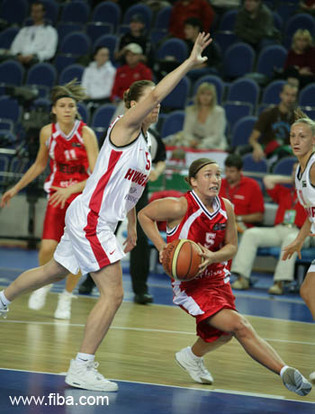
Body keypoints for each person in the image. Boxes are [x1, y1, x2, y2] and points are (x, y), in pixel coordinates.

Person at [0, 32, 213, 392]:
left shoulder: (147, 145)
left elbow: (132, 189)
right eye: (147, 101)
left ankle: (2, 299)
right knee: (113, 295)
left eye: (155, 103)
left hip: (97, 218)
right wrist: (190, 63)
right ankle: (81, 367)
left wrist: (130, 224)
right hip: (91, 219)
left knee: (54, 271)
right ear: (132, 103)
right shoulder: (125, 127)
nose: (155, 106)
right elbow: (160, 92)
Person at [138, 157, 312, 396]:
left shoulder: (226, 207)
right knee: (239, 326)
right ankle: (285, 371)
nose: (215, 179)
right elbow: (144, 215)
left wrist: (212, 257)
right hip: (191, 285)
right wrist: (162, 248)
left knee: (223, 335)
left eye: (217, 174)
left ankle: (191, 356)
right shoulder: (179, 205)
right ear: (193, 181)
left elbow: (231, 247)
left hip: (217, 278)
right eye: (208, 175)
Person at [0, 80, 99, 319]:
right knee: (47, 247)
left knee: (76, 253)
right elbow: (39, 165)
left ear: (76, 109)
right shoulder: (48, 132)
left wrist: (73, 188)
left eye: (71, 105)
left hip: (80, 198)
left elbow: (97, 175)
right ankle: (44, 284)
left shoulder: (86, 133)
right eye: (62, 105)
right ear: (54, 109)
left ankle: (66, 296)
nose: (67, 109)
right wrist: (15, 189)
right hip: (56, 195)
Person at [79, 128, 167, 304]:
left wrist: (157, 171)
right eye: (152, 106)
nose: (155, 110)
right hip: (113, 188)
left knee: (141, 238)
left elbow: (161, 160)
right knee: (105, 234)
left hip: (138, 190)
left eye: (157, 107)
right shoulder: (117, 129)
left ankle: (140, 289)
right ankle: (90, 279)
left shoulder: (154, 137)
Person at [231, 163, 308, 293]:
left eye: (300, 170)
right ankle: (242, 277)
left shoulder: (311, 193)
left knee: (291, 238)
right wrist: (292, 179)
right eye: (294, 170)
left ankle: (280, 283)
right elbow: (268, 180)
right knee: (251, 234)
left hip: (301, 232)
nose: (296, 172)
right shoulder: (285, 192)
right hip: (279, 229)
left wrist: (305, 180)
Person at [282, 109, 315, 382]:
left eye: (302, 136)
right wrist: (299, 239)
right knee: (308, 291)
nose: (296, 140)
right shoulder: (299, 170)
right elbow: (310, 213)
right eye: (293, 135)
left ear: (313, 141)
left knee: (309, 290)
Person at [249, 83, 298, 164]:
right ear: (281, 95)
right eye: (287, 94)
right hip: (267, 150)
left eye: (293, 95)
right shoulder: (268, 113)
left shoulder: (297, 118)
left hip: (285, 152)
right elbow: (252, 139)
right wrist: (257, 147)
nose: (289, 98)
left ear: (296, 98)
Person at [169, 82, 228, 150]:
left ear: (213, 97)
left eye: (209, 94)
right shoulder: (190, 110)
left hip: (212, 144)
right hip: (193, 142)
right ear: (198, 96)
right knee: (180, 144)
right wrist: (192, 141)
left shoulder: (219, 112)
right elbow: (187, 132)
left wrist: (201, 143)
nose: (205, 97)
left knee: (204, 147)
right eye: (202, 94)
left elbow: (217, 136)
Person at [219, 154, 264, 235]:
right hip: (221, 225)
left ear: (240, 171)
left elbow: (258, 216)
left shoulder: (252, 185)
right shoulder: (219, 184)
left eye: (232, 171)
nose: (228, 174)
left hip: (241, 227)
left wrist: (237, 218)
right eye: (226, 170)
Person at [6, 1, 58, 67]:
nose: (35, 14)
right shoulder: (24, 30)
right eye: (33, 11)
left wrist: (34, 55)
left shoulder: (50, 31)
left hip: (37, 61)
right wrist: (19, 55)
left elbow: (50, 52)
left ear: (43, 13)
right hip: (20, 59)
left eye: (37, 11)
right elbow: (14, 47)